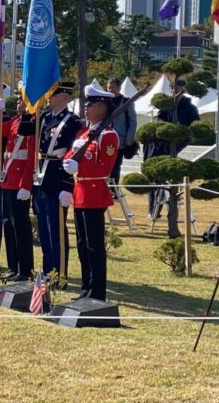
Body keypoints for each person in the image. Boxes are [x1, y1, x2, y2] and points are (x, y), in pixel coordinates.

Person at [62, 86, 119, 300]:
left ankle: (97, 292)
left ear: (103, 108)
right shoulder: (84, 133)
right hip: (80, 192)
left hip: (94, 192)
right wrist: (69, 162)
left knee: (94, 246)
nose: (86, 108)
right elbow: (70, 153)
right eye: (86, 104)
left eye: (91, 104)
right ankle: (86, 288)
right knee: (82, 245)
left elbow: (105, 167)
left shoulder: (108, 136)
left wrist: (80, 167)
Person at [33, 81, 82, 281]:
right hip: (41, 176)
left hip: (57, 176)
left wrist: (67, 186)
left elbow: (73, 155)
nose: (49, 98)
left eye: (54, 94)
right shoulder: (45, 117)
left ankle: (59, 273)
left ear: (65, 97)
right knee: (44, 229)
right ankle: (47, 269)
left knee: (56, 229)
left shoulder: (73, 122)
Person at [0, 98, 36, 281]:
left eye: (22, 99)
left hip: (20, 181)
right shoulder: (15, 120)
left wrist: (26, 184)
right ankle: (13, 265)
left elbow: (30, 157)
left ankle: (25, 268)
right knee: (8, 224)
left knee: (20, 227)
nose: (19, 102)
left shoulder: (31, 123)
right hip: (8, 179)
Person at [107, 78, 136, 184]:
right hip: (105, 139)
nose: (110, 90)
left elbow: (132, 121)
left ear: (119, 88)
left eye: (112, 87)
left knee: (115, 165)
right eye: (108, 87)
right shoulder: (105, 101)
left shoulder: (126, 101)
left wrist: (130, 138)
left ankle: (113, 188)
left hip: (119, 140)